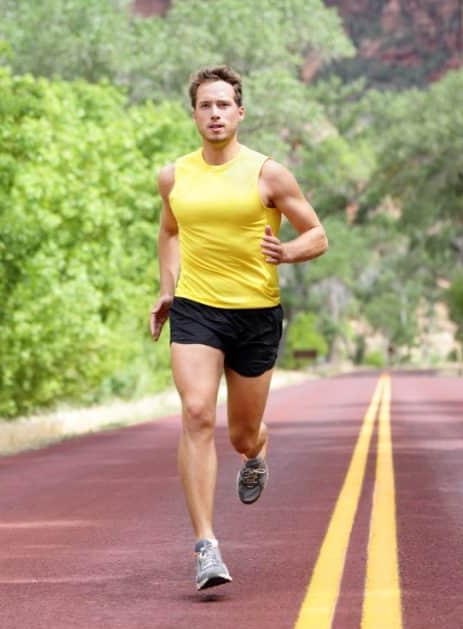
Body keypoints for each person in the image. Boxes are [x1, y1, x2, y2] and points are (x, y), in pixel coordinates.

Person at [149, 65, 328, 591]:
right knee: (197, 412)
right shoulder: (174, 176)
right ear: (194, 113)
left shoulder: (267, 174)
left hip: (255, 314)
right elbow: (169, 230)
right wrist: (167, 287)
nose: (215, 113)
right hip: (197, 308)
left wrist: (288, 251)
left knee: (241, 435)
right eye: (205, 105)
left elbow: (317, 234)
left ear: (240, 113)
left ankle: (258, 446)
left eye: (224, 105)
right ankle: (206, 545)